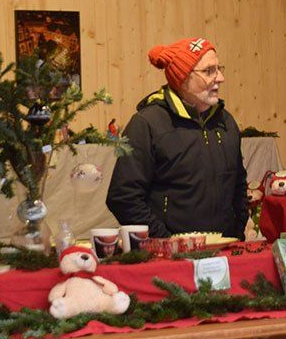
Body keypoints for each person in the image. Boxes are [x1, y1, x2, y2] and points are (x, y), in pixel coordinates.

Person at [106, 37, 248, 239]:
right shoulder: (146, 124)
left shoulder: (226, 121)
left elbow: (239, 184)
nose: (220, 78)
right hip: (169, 260)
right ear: (183, 78)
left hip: (225, 251)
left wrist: (236, 230)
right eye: (209, 71)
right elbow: (123, 197)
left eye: (219, 68)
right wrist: (167, 241)